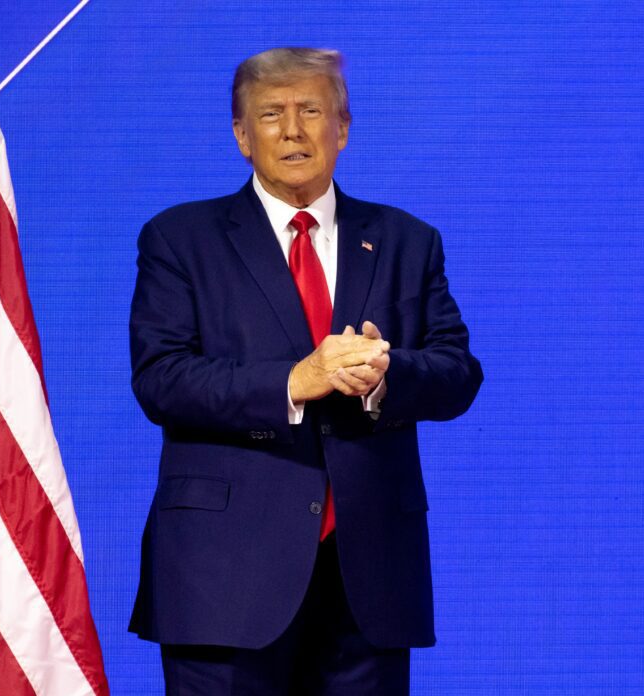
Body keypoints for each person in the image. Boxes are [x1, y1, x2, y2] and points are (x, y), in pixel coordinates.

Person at [128, 47, 483, 695]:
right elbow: (163, 380)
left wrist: (383, 374)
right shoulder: (180, 240)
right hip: (223, 580)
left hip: (368, 582)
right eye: (270, 114)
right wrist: (298, 381)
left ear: (342, 128)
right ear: (241, 135)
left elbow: (458, 371)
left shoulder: (408, 240)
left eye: (311, 111)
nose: (292, 130)